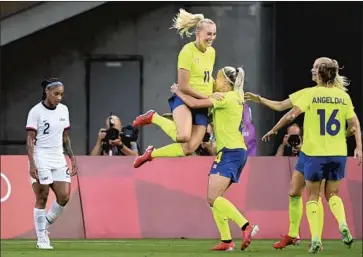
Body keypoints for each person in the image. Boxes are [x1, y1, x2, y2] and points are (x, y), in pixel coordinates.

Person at [245, 57, 362, 250]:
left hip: (314, 153)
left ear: (322, 72)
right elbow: (353, 124)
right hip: (337, 153)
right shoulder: (344, 97)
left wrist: (274, 128)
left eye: (316, 67)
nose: (312, 70)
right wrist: (357, 145)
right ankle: (338, 224)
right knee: (314, 193)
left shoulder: (310, 94)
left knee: (313, 197)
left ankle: (315, 238)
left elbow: (286, 110)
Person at [172, 66, 259, 251]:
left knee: (212, 198)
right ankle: (226, 241)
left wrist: (178, 91)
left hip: (230, 152)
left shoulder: (225, 97)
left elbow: (194, 104)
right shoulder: (235, 97)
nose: (214, 82)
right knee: (215, 198)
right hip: (236, 151)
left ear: (226, 83)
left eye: (217, 79)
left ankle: (246, 226)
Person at [132, 9, 222, 168]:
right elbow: (183, 86)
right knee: (183, 136)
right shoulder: (187, 52)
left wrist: (218, 90)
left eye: (214, 34)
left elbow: (207, 77)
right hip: (186, 99)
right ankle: (154, 117)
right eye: (208, 34)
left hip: (202, 104)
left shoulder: (212, 52)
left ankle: (151, 154)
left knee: (190, 148)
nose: (211, 38)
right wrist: (205, 97)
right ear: (198, 33)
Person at [26, 78, 77, 249]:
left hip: (58, 157)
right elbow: (30, 140)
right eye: (56, 94)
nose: (59, 98)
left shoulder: (64, 110)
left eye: (61, 94)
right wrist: (32, 164)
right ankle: (41, 238)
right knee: (42, 196)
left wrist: (72, 157)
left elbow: (65, 137)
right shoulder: (36, 112)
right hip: (41, 156)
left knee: (64, 197)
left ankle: (44, 224)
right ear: (47, 91)